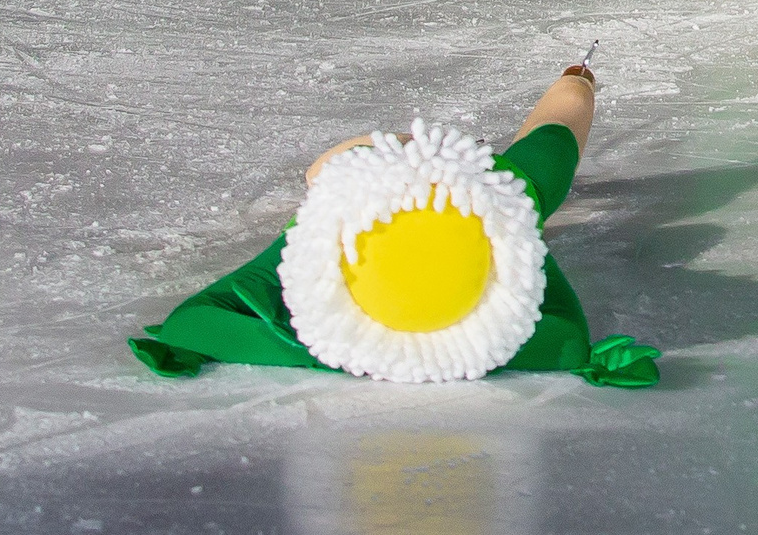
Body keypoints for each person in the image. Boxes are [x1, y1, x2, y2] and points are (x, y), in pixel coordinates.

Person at [129, 59, 659, 388]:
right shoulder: (510, 194)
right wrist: (576, 78)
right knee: (546, 154)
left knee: (330, 169)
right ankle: (417, 149)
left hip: (382, 181)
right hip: (466, 191)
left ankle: (408, 148)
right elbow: (557, 131)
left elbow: (202, 319)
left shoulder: (327, 226)